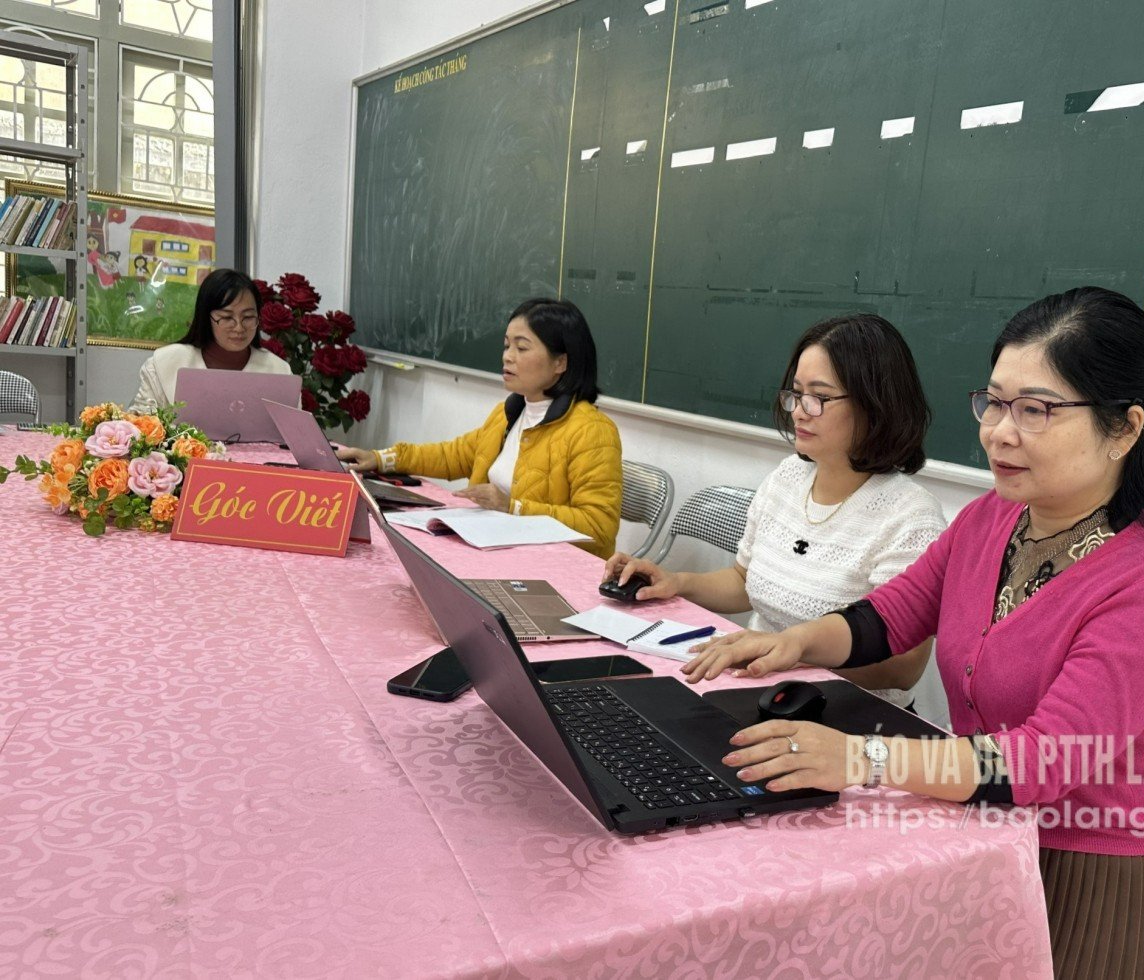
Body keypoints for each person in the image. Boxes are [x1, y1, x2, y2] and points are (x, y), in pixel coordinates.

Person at [683, 288, 1144, 980]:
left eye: (1035, 410)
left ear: (1123, 428)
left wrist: (861, 760)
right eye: (995, 403)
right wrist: (794, 644)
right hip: (979, 836)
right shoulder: (993, 518)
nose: (998, 432)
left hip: (1092, 883)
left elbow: (1042, 764)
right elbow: (891, 615)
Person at [604, 313, 947, 709]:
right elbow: (744, 580)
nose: (800, 411)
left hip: (847, 713)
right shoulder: (789, 477)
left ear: (875, 404)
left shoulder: (911, 518)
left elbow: (901, 667)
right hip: (762, 690)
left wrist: (786, 652)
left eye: (820, 397)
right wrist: (677, 581)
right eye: (796, 393)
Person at [340, 298, 622, 557]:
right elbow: (454, 455)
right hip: (498, 549)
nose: (508, 356)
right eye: (506, 345)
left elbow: (598, 528)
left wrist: (514, 507)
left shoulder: (592, 431)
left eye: (522, 348)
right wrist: (380, 458)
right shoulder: (510, 412)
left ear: (561, 362)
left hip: (552, 564)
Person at [130, 268, 292, 414]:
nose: (239, 328)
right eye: (227, 317)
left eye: (248, 317)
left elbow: (293, 435)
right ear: (206, 317)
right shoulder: (166, 363)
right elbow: (140, 428)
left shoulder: (278, 371)